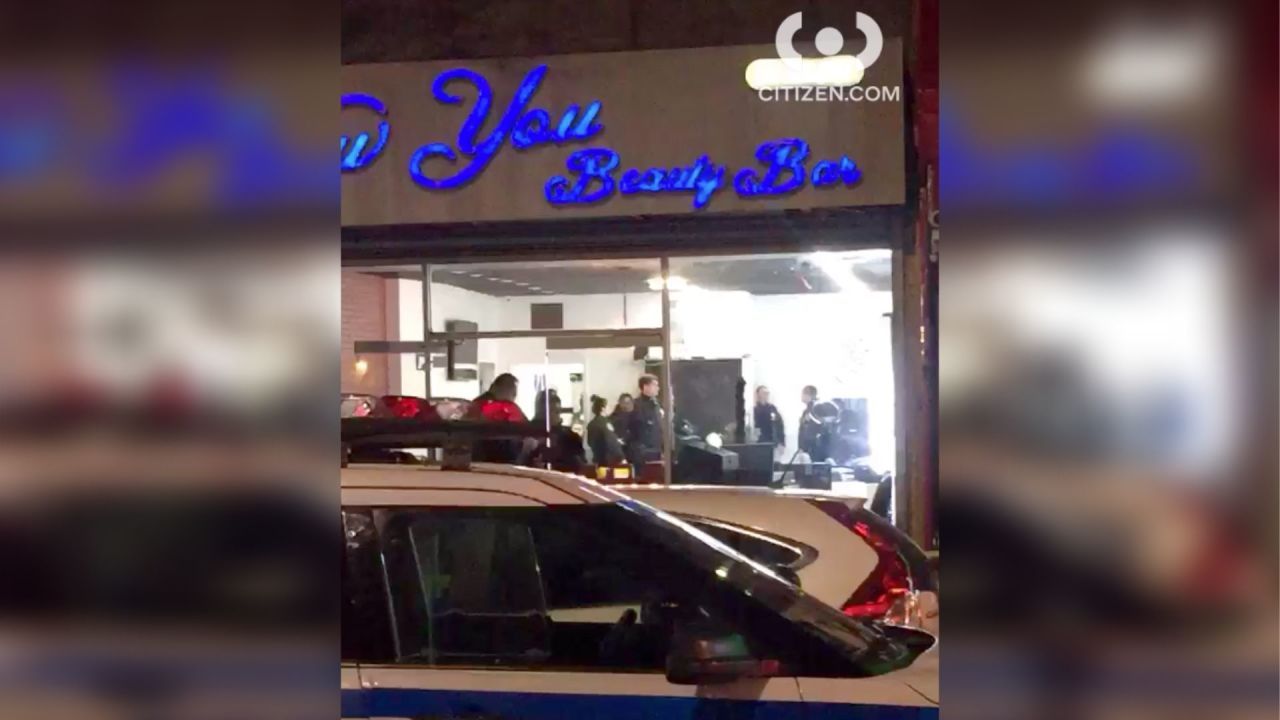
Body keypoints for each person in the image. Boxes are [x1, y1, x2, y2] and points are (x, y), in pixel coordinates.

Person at [466, 373, 528, 463]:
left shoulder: (477, 404)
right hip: (495, 456)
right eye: (511, 389)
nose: (514, 394)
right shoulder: (485, 405)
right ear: (496, 387)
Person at [627, 375, 664, 467]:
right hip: (642, 453)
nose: (658, 388)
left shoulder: (656, 404)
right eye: (655, 385)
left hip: (657, 450)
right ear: (645, 386)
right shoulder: (635, 405)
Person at [797, 384, 838, 462]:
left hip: (814, 448)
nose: (801, 396)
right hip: (812, 447)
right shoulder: (809, 409)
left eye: (802, 394)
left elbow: (812, 430)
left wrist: (804, 447)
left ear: (807, 395)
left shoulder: (816, 409)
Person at [586, 395, 626, 466]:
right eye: (608, 406)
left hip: (597, 460)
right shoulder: (605, 424)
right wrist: (621, 458)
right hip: (609, 461)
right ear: (603, 408)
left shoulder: (591, 424)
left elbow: (589, 442)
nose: (610, 408)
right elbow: (611, 442)